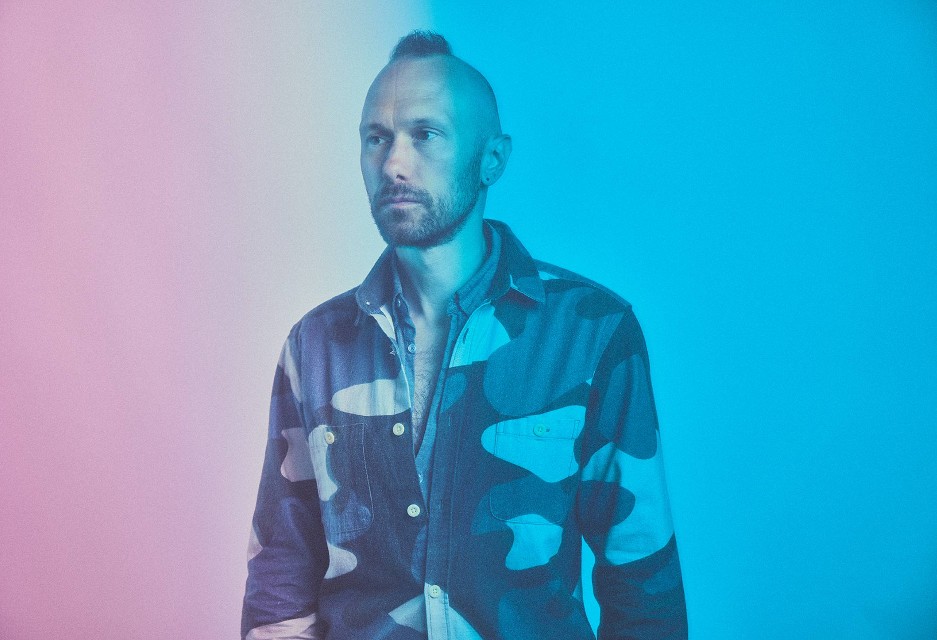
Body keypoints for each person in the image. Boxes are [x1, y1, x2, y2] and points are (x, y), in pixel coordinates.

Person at [242, 30, 687, 640]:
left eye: (425, 135)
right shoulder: (316, 347)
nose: (394, 163)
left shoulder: (589, 333)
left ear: (492, 159)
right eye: (377, 139)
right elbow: (282, 576)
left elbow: (642, 583)